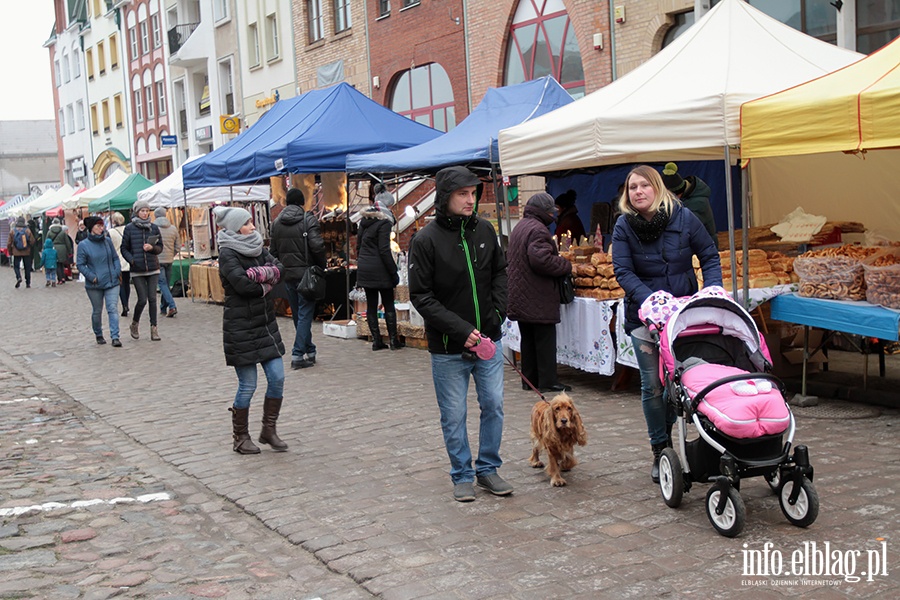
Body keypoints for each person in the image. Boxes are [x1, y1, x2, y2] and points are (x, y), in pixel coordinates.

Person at [612, 165, 722, 483]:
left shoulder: (684, 218)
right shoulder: (623, 226)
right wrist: (651, 302)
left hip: (681, 315)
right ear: (627, 194)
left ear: (658, 188)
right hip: (643, 317)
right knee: (653, 384)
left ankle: (676, 433)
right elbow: (623, 271)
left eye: (645, 185)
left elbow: (709, 254)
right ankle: (660, 449)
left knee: (680, 383)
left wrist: (711, 290)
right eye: (633, 187)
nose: (639, 191)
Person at [408, 166, 511, 502]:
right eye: (462, 194)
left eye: (473, 193)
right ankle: (462, 473)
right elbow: (421, 296)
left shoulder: (484, 230)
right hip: (449, 347)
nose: (470, 200)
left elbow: (500, 273)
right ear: (445, 197)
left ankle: (488, 468)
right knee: (454, 414)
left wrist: (497, 313)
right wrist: (462, 330)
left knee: (493, 405)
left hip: (489, 340)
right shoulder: (425, 240)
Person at [214, 206, 288, 455]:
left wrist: (259, 274)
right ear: (235, 228)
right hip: (240, 327)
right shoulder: (227, 253)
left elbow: (279, 269)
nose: (253, 226)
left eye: (251, 222)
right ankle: (240, 437)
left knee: (277, 377)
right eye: (247, 223)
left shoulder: (258, 246)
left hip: (265, 324)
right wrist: (264, 283)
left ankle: (269, 430)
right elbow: (242, 284)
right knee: (248, 385)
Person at [506, 192, 574, 393]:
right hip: (537, 294)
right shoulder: (538, 230)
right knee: (544, 339)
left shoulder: (521, 226)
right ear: (544, 211)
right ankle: (547, 380)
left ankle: (530, 380)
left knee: (528, 340)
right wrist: (565, 265)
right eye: (551, 210)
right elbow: (541, 260)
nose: (554, 214)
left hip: (522, 293)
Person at [269, 188, 326, 370]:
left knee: (298, 314)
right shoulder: (307, 220)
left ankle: (310, 349)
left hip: (288, 275)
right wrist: (321, 265)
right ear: (302, 202)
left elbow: (273, 252)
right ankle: (298, 353)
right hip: (306, 274)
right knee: (304, 314)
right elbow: (317, 246)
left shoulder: (277, 223)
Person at [357, 194, 402, 351]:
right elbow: (384, 250)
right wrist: (393, 271)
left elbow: (358, 246)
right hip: (380, 268)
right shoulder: (384, 222)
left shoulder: (364, 220)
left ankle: (376, 340)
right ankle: (393, 341)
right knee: (388, 303)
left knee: (371, 304)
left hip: (365, 267)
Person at [76, 216, 122, 347]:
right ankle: (98, 333)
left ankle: (115, 336)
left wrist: (116, 271)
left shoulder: (107, 241)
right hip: (94, 284)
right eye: (98, 226)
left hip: (111, 281)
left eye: (102, 226)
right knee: (97, 310)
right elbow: (80, 264)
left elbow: (115, 258)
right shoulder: (83, 245)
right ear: (91, 228)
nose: (102, 228)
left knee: (112, 308)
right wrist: (92, 277)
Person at [121, 199, 164, 341]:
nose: (145, 213)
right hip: (137, 269)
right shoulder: (129, 228)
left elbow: (160, 247)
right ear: (137, 212)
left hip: (153, 267)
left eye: (146, 211)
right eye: (142, 211)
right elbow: (124, 248)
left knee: (152, 298)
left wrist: (152, 248)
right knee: (142, 299)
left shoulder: (154, 228)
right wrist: (132, 260)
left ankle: (154, 328)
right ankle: (135, 323)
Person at [661, 162, 718, 249]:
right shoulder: (687, 197)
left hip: (704, 248)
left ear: (677, 194)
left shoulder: (698, 202)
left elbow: (685, 227)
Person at [153, 207, 180, 318]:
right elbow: (177, 246)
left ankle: (172, 306)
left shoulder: (153, 228)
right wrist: (171, 254)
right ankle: (163, 308)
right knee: (166, 284)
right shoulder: (173, 228)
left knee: (163, 284)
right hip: (169, 260)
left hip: (158, 260)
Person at [108, 212, 131, 317]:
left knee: (121, 284)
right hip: (128, 259)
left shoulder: (111, 232)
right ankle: (127, 302)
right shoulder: (128, 229)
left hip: (118, 260)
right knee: (127, 283)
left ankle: (124, 304)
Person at [7, 216, 36, 288]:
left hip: (16, 252)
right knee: (27, 267)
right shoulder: (27, 230)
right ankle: (28, 283)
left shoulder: (13, 231)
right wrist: (29, 246)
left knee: (16, 266)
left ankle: (18, 277)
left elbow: (9, 243)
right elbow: (32, 241)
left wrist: (10, 252)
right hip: (26, 251)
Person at [47, 218, 74, 283]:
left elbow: (47, 242)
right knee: (62, 264)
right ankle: (63, 277)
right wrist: (69, 251)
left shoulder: (49, 232)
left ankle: (60, 279)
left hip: (54, 248)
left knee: (57, 264)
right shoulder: (62, 232)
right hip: (63, 249)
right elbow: (67, 242)